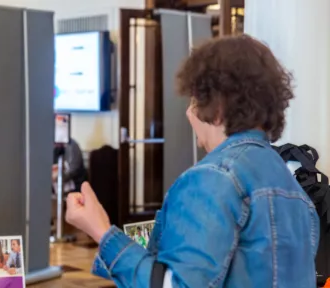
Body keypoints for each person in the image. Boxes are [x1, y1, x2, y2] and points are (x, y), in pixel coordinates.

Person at [65, 35, 319, 287]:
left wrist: (101, 231)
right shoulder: (294, 189)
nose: (189, 112)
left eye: (196, 100)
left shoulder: (213, 179)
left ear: (217, 106)